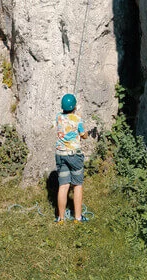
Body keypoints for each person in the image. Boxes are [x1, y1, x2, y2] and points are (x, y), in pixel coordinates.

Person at [55, 93, 88, 223]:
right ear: (74, 107)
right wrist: (85, 134)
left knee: (63, 185)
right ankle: (78, 218)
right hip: (74, 155)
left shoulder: (58, 117)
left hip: (60, 154)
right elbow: (83, 135)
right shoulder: (78, 119)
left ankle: (61, 218)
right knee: (77, 185)